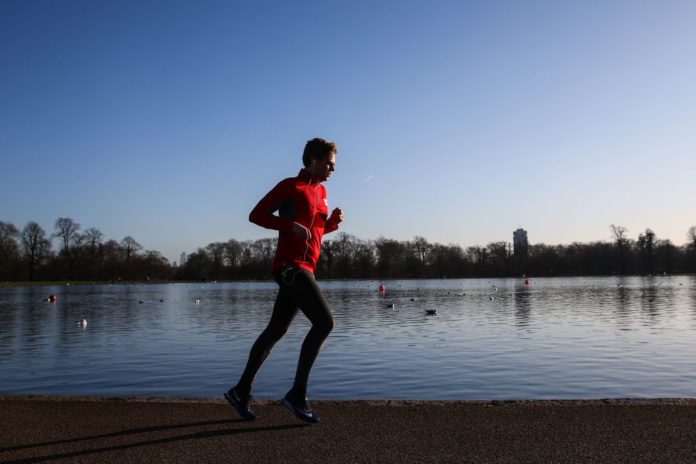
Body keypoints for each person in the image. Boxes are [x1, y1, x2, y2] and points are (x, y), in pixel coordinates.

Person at [225, 138, 344, 423]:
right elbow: (256, 215)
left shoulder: (323, 192)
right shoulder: (291, 186)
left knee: (276, 330)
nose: (332, 169)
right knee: (325, 323)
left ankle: (241, 390)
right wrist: (288, 225)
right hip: (290, 268)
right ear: (312, 159)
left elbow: (311, 234)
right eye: (328, 163)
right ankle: (297, 393)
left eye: (334, 165)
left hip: (307, 268)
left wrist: (331, 225)